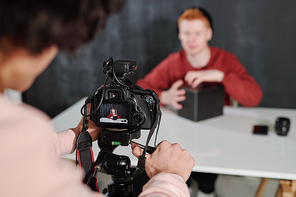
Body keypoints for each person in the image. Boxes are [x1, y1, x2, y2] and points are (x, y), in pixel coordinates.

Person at [0, 1, 195, 197]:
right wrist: (169, 177)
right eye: (57, 42)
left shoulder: (14, 132)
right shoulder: (18, 130)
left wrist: (77, 135)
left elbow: (20, 154)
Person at [136, 6, 263, 197]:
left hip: (218, 135)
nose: (191, 39)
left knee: (207, 175)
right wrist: (163, 96)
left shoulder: (226, 60)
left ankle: (205, 188)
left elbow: (254, 97)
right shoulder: (173, 63)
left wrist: (221, 76)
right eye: (186, 33)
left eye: (197, 33)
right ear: (179, 35)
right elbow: (141, 89)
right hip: (182, 133)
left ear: (209, 33)